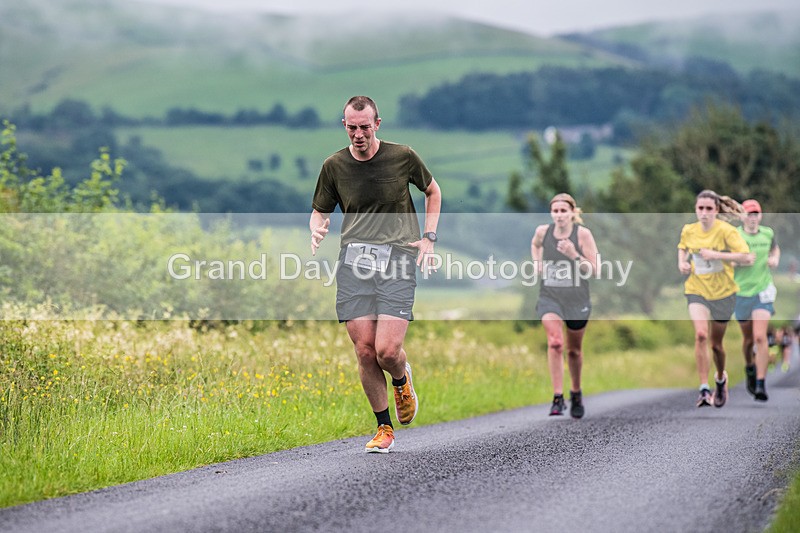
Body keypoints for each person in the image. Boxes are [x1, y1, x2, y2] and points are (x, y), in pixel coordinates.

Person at [309, 96, 442, 453]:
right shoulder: (334, 166)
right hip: (354, 265)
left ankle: (401, 378)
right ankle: (384, 427)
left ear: (377, 124)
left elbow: (433, 191)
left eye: (365, 127)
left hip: (397, 261)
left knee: (387, 351)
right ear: (344, 125)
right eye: (352, 127)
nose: (358, 134)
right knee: (365, 351)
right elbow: (319, 210)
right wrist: (316, 227)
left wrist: (429, 238)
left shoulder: (403, 156)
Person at [678, 190, 752, 408]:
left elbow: (747, 257)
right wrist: (682, 263)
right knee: (701, 334)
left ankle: (720, 378)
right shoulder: (689, 230)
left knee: (716, 345)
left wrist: (716, 255)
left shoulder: (726, 231)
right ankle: (703, 388)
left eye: (709, 208)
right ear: (695, 209)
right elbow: (682, 248)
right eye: (700, 208)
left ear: (716, 210)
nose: (704, 213)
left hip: (723, 293)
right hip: (697, 289)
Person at [531, 193, 599, 419]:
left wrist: (574, 255)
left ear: (572, 213)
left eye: (563, 211)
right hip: (549, 295)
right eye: (555, 211)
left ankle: (576, 392)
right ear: (551, 213)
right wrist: (537, 263)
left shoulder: (582, 234)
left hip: (577, 299)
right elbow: (535, 244)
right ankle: (557, 397)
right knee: (555, 342)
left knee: (573, 350)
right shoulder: (543, 232)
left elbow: (594, 270)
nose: (559, 215)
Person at [734, 198, 780, 401]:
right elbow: (725, 260)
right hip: (741, 292)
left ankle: (761, 383)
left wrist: (774, 259)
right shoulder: (735, 235)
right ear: (742, 216)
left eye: (755, 214)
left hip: (763, 291)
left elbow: (775, 248)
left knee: (760, 337)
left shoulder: (767, 233)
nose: (752, 218)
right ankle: (749, 368)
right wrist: (740, 260)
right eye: (749, 214)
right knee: (748, 340)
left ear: (760, 216)